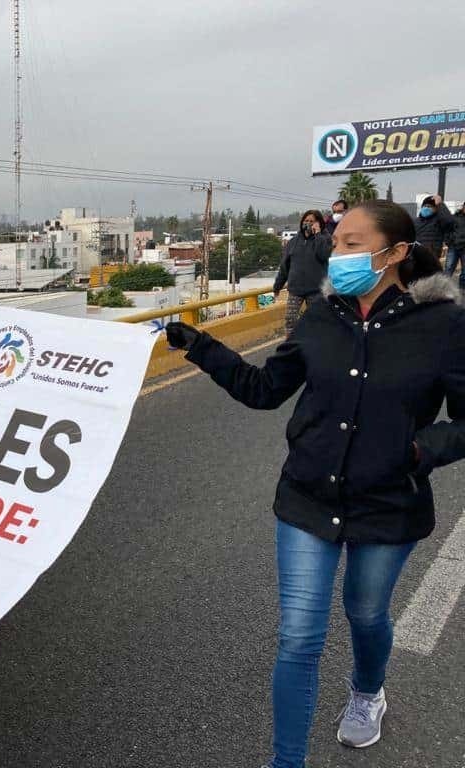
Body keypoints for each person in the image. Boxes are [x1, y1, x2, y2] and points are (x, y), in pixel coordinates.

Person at [165, 200, 465, 768]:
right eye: (337, 240)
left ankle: (367, 692)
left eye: (353, 242)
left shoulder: (446, 326)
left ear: (396, 253)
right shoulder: (322, 317)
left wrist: (420, 450)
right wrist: (200, 346)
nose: (337, 251)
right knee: (299, 637)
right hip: (308, 496)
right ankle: (286, 762)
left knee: (366, 613)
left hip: (388, 503)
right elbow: (264, 388)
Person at [273, 210, 331, 335]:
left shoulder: (325, 239)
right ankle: (291, 346)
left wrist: (318, 235)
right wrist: (278, 285)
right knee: (290, 320)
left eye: (312, 221)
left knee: (316, 320)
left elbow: (324, 255)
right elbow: (285, 266)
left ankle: (316, 347)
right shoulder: (293, 242)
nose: (308, 223)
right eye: (306, 221)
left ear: (319, 223)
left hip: (316, 289)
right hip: (296, 289)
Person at [415, 194, 454, 259]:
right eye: (425, 206)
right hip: (416, 253)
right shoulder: (416, 221)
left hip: (432, 255)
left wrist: (440, 204)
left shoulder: (439, 221)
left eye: (429, 206)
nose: (426, 208)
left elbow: (449, 221)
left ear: (436, 209)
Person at [448, 202, 465, 288]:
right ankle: (443, 290)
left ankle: (462, 291)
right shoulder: (455, 217)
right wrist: (449, 241)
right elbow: (448, 230)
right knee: (448, 269)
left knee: (464, 272)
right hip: (453, 247)